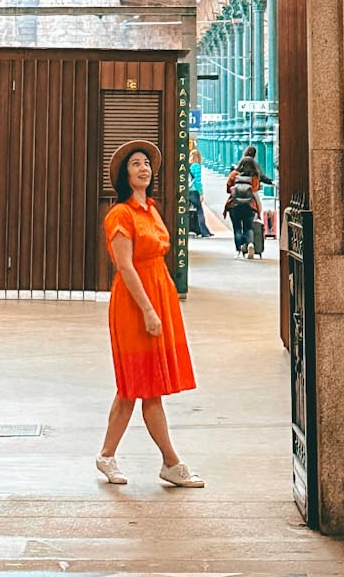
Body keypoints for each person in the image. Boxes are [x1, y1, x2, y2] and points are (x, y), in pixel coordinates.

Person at [96, 140, 202, 488]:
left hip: (158, 295)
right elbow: (126, 267)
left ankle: (108, 455)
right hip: (135, 303)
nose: (143, 168)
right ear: (125, 175)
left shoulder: (151, 209)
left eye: (146, 163)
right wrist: (148, 310)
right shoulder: (120, 215)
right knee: (141, 384)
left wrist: (159, 307)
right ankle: (170, 461)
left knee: (136, 386)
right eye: (135, 164)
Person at [223, 154, 262, 258]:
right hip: (250, 205)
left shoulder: (234, 174)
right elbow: (255, 189)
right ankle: (250, 244)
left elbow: (228, 188)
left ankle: (239, 251)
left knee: (237, 228)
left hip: (234, 205)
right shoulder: (254, 176)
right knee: (248, 227)